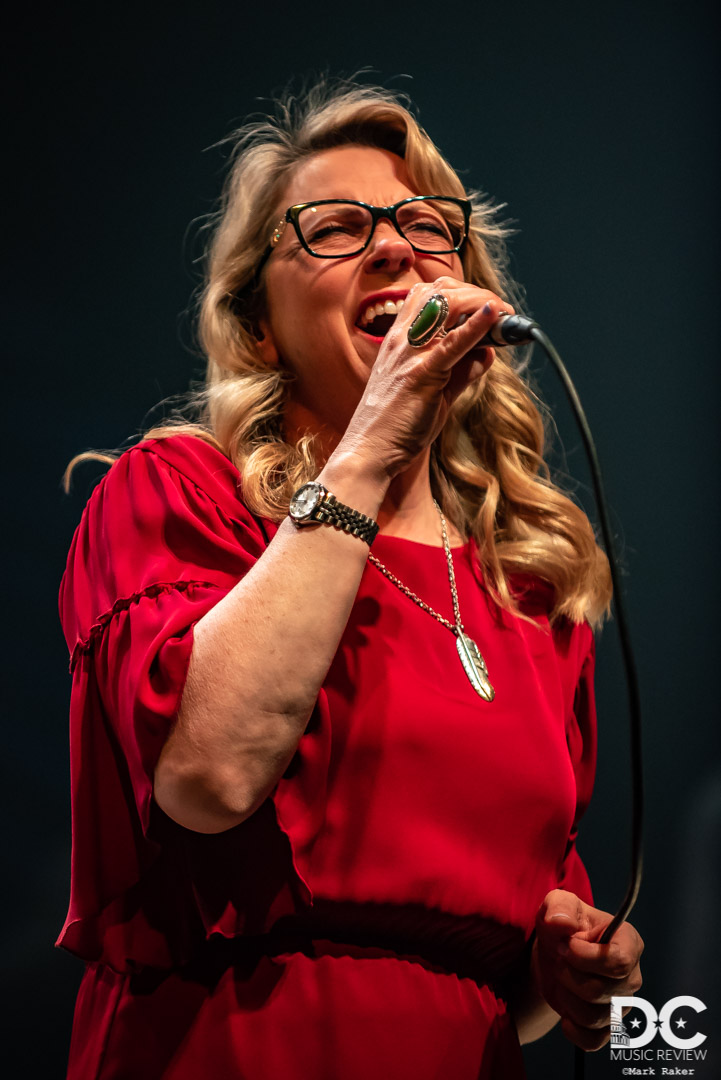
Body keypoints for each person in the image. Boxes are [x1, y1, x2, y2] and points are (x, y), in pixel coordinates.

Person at [59, 80, 643, 1079]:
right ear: (258, 327)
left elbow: (514, 968)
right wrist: (371, 447)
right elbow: (207, 777)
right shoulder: (177, 494)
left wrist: (564, 968)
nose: (395, 248)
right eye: (334, 229)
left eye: (427, 225)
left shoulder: (532, 586)